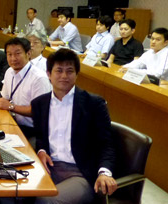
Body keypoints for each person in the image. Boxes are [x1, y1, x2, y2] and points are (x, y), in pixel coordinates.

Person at [32, 48, 117, 203]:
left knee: (47, 201)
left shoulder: (94, 104)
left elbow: (106, 144)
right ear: (49, 74)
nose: (64, 76)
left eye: (69, 71)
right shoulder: (39, 103)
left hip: (79, 173)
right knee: (14, 190)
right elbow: (40, 137)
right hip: (49, 168)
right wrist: (42, 150)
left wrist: (105, 172)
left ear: (77, 75)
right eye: (59, 70)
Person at [0, 37, 51, 144]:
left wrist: (11, 107)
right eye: (9, 54)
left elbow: (38, 111)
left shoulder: (39, 78)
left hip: (33, 129)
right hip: (14, 122)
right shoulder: (9, 71)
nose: (13, 58)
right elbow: (5, 98)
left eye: (18, 53)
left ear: (28, 53)